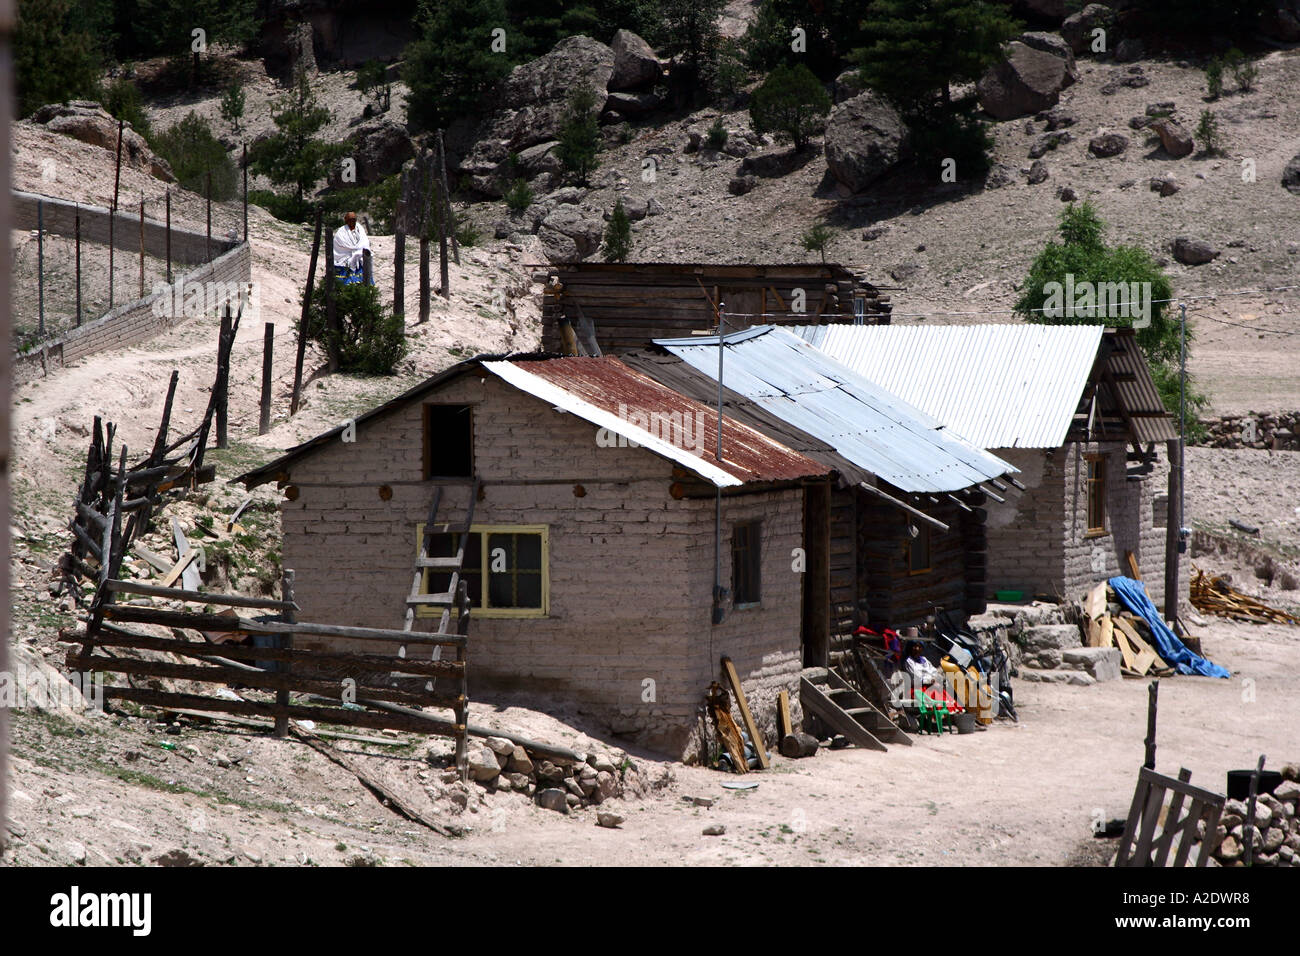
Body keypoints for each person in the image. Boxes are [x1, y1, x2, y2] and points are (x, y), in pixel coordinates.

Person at [333, 211, 372, 285]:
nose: (352, 221)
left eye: (354, 219)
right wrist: (353, 251)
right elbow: (339, 246)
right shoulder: (341, 232)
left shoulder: (360, 230)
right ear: (346, 220)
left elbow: (364, 243)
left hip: (360, 259)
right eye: (350, 219)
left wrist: (358, 251)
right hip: (345, 259)